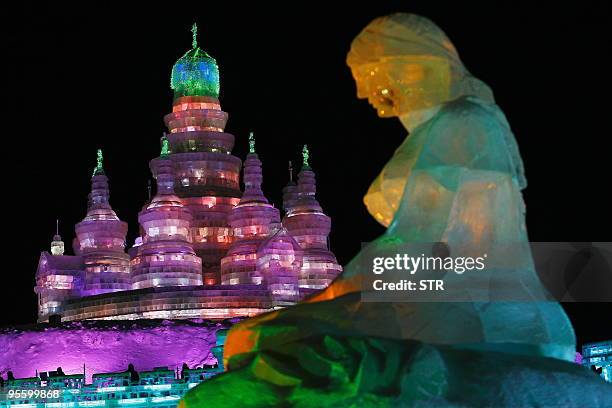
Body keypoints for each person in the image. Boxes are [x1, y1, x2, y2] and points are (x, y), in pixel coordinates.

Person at [180, 13, 612, 407]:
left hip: (469, 295)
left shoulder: (463, 124)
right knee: (259, 335)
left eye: (374, 77)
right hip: (447, 287)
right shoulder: (458, 124)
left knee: (262, 337)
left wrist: (337, 292)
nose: (367, 93)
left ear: (415, 67)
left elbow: (425, 247)